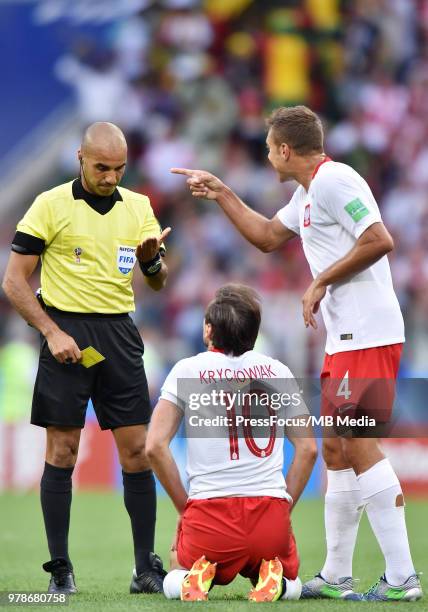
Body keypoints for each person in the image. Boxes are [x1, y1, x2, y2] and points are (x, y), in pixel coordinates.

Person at [171, 106, 423, 602]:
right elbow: (266, 236)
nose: (267, 156)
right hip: (344, 336)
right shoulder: (308, 193)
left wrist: (320, 282)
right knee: (334, 448)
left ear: (286, 150)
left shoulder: (335, 180)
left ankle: (402, 577)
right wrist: (222, 192)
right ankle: (336, 574)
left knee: (356, 442)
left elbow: (380, 240)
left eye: (269, 148)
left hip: (367, 333)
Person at [2, 122, 170, 595]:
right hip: (66, 332)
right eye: (101, 167)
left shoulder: (139, 207)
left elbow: (156, 280)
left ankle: (145, 569)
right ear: (80, 158)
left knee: (137, 452)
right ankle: (60, 569)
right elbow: (14, 280)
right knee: (63, 451)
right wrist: (51, 331)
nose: (110, 176)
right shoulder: (50, 204)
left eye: (119, 169)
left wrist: (153, 262)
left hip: (119, 332)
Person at [146, 284, 318, 602]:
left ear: (209, 329)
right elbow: (308, 449)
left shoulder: (187, 369)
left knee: (174, 569)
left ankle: (191, 581)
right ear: (253, 332)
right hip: (268, 513)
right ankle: (277, 583)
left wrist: (185, 509)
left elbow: (154, 446)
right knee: (293, 582)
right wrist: (285, 506)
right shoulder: (278, 371)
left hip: (209, 517)